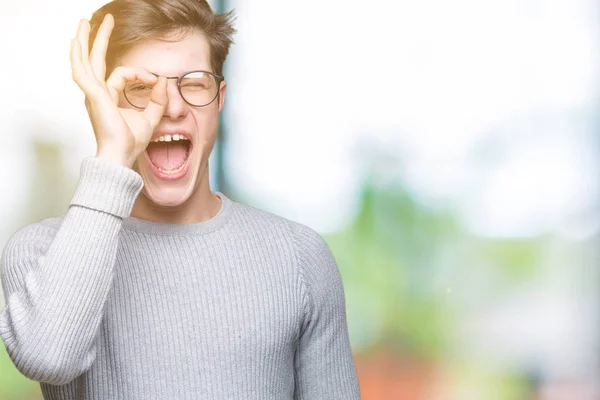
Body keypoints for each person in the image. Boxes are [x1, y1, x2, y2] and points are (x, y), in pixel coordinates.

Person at [0, 0, 360, 399]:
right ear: (102, 105)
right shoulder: (41, 253)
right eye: (139, 88)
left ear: (219, 99)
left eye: (193, 84)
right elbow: (50, 359)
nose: (170, 107)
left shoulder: (300, 258)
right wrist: (113, 153)